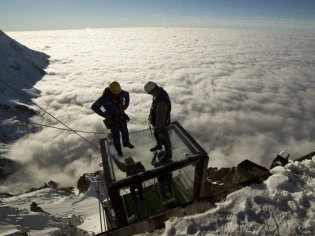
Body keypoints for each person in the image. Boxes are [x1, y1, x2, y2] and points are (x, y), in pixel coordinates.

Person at [91, 81, 134, 156]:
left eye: (118, 92)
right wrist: (104, 114)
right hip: (112, 119)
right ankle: (119, 150)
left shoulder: (121, 93)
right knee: (115, 135)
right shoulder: (104, 98)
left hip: (121, 116)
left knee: (125, 131)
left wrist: (126, 104)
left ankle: (126, 143)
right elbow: (94, 107)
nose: (117, 94)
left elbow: (127, 94)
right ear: (111, 90)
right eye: (115, 93)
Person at [144, 81, 172, 159]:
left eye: (150, 93)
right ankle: (159, 145)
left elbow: (161, 117)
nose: (150, 95)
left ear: (153, 90)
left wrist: (157, 128)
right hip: (157, 123)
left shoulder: (162, 102)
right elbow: (154, 107)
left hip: (161, 125)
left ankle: (168, 155)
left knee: (166, 140)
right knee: (157, 135)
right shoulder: (159, 94)